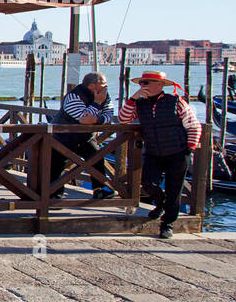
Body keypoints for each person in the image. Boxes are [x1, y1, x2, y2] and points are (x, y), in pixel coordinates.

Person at [118, 71, 201, 239]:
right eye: (141, 83)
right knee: (148, 182)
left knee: (174, 189)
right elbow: (123, 118)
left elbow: (194, 126)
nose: (143, 86)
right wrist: (134, 97)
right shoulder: (139, 104)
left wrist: (189, 148)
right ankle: (161, 204)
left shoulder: (176, 102)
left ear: (159, 85)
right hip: (154, 152)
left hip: (178, 151)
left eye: (146, 83)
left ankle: (167, 224)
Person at [50, 72, 116, 200]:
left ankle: (100, 190)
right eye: (103, 84)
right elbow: (84, 119)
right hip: (63, 136)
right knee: (56, 165)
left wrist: (97, 119)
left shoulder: (105, 96)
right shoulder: (73, 96)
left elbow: (109, 115)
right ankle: (53, 195)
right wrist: (96, 103)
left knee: (96, 158)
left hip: (85, 137)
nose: (106, 86)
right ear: (92, 86)